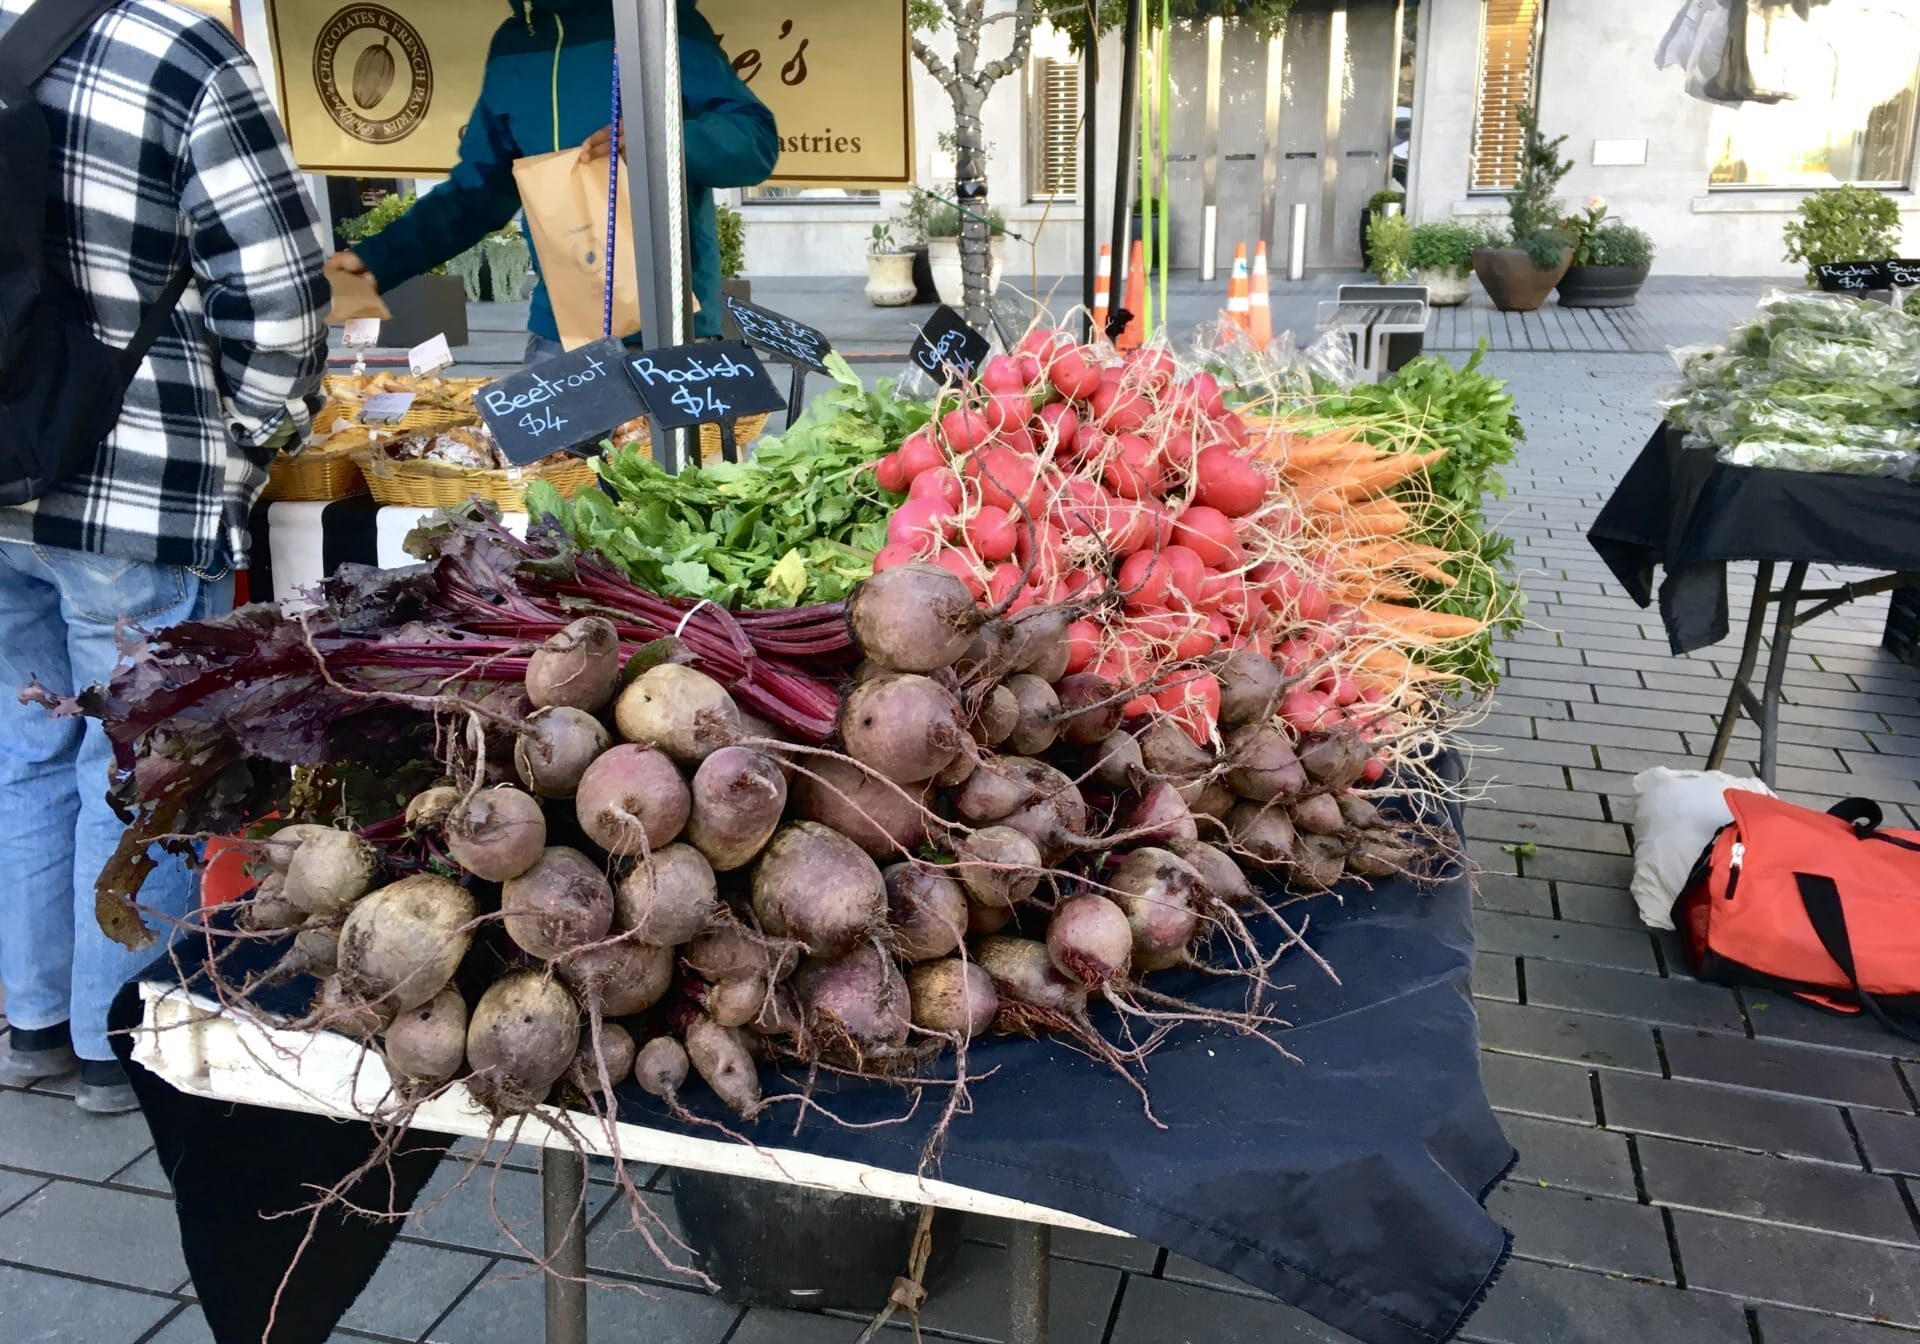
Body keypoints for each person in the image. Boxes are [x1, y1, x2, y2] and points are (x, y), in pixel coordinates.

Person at [0, 0, 329, 1113]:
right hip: (132, 484)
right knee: (143, 769)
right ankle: (123, 1044)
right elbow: (278, 293)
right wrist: (255, 433)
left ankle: (37, 1022)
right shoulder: (176, 52)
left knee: (27, 747)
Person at [330, 0, 777, 363]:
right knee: (554, 477)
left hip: (673, 326)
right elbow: (476, 195)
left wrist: (659, 138)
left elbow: (755, 143)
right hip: (558, 332)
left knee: (675, 475)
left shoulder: (662, 19)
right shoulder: (513, 44)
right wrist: (377, 260)